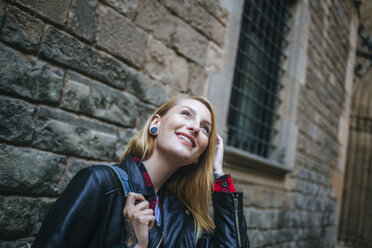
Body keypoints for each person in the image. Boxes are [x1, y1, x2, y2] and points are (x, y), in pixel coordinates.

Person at [33, 95, 250, 248]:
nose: (194, 127)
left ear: (199, 157)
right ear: (155, 124)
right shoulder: (100, 184)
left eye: (205, 128)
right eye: (186, 114)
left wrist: (219, 174)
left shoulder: (185, 221)